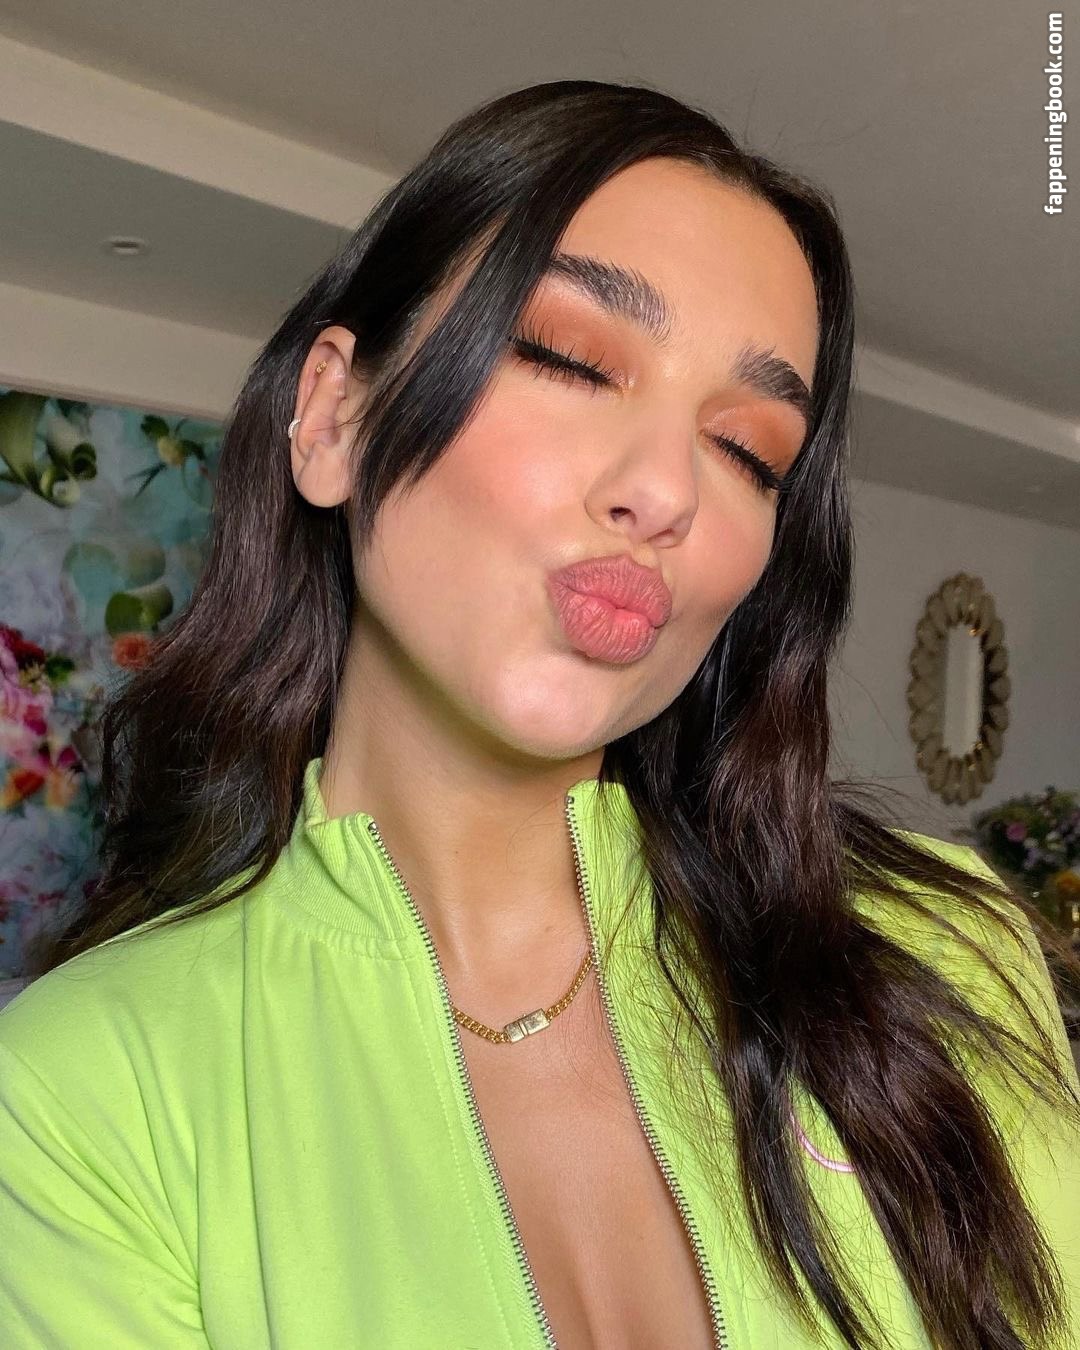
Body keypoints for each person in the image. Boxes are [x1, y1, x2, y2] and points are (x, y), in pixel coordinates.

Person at [1, 79, 1078, 1350]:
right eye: (571, 359)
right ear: (334, 418)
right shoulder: (83, 1092)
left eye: (748, 451)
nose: (666, 491)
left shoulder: (942, 959)